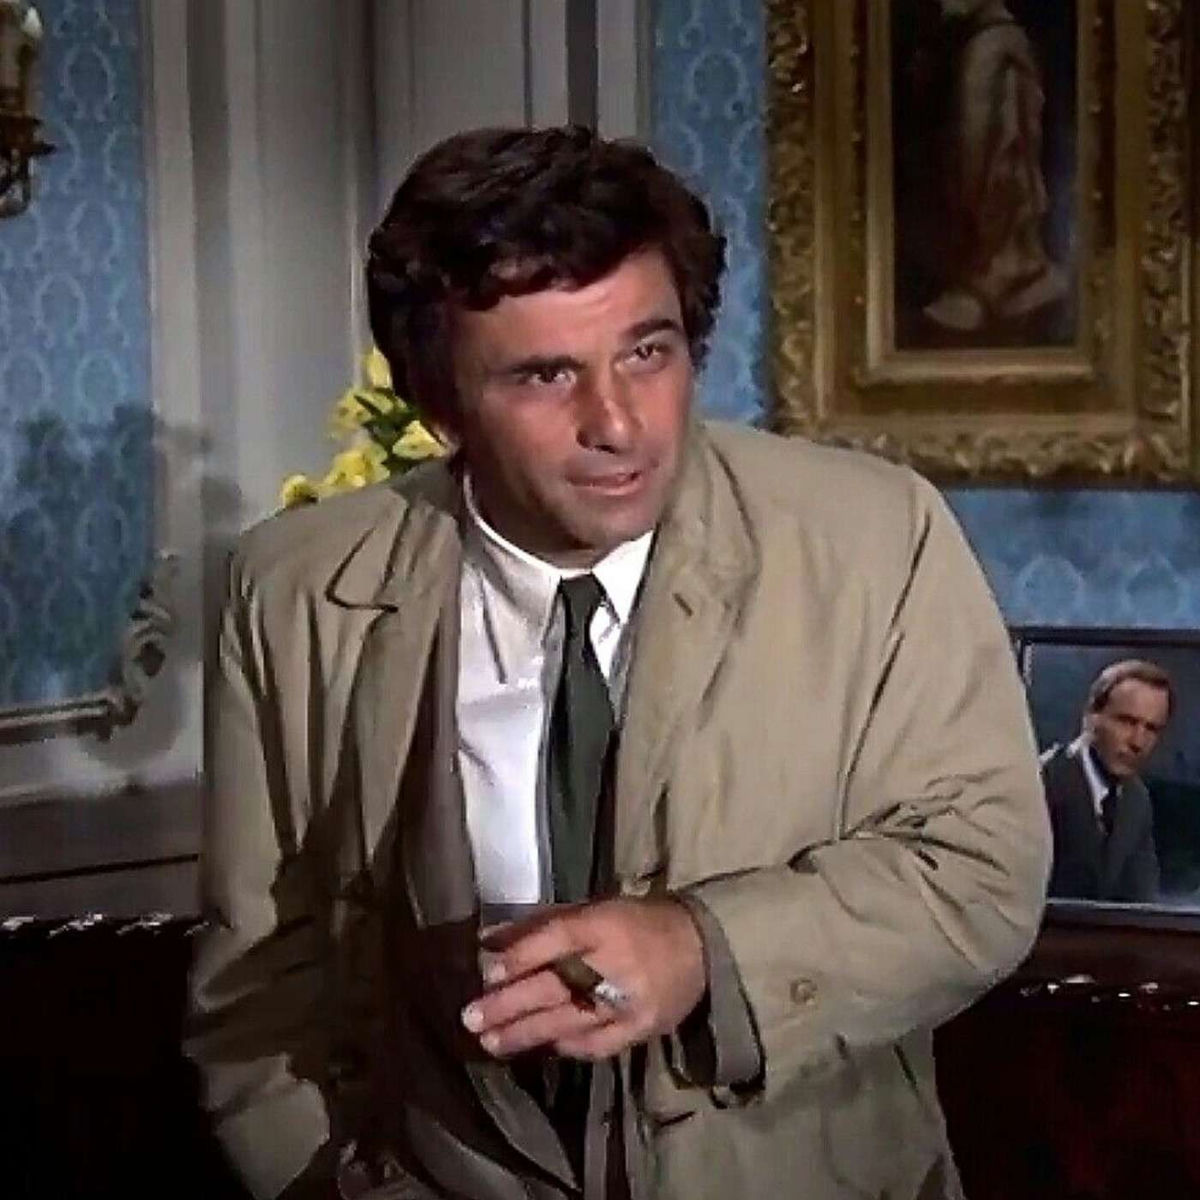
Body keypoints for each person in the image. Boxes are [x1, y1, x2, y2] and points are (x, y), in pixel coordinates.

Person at [186, 125, 1051, 1200]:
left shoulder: (875, 539)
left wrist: (703, 950)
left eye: (648, 352)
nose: (618, 423)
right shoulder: (295, 587)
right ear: (440, 406)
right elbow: (261, 985)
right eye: (546, 375)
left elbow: (982, 871)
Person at [909, 0, 1068, 337]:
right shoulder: (999, 45)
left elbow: (980, 147)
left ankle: (1002, 269)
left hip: (996, 209)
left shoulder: (989, 50)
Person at [1042, 659, 1171, 904]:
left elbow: (1143, 901)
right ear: (1091, 717)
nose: (1138, 742)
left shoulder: (1136, 800)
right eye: (1127, 721)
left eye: (1151, 729)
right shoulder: (1044, 784)